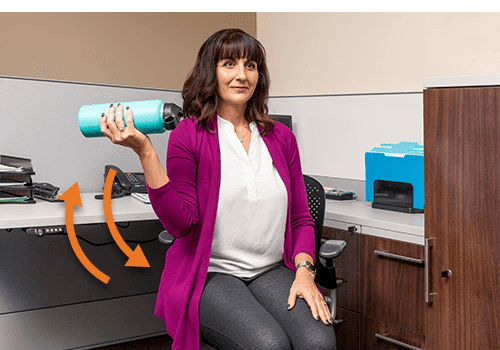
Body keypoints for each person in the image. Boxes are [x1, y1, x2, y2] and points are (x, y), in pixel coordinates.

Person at [100, 28, 336, 350]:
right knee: (268, 344)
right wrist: (145, 152)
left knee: (319, 341)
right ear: (210, 71)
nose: (242, 75)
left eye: (250, 66)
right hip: (211, 273)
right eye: (229, 64)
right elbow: (180, 225)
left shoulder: (281, 138)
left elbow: (300, 219)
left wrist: (305, 272)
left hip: (271, 269)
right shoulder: (189, 135)